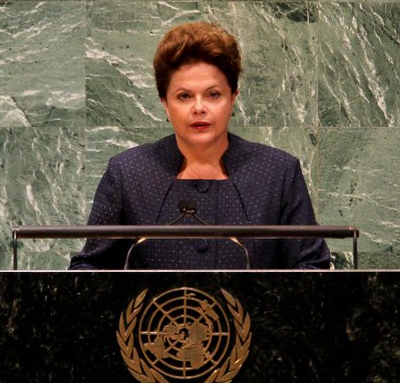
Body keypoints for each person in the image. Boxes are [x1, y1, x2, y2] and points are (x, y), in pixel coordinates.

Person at [69, 21, 330, 270]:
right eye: (184, 96)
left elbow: (312, 268)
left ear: (233, 99)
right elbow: (90, 267)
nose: (199, 108)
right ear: (165, 103)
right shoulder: (128, 172)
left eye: (213, 94)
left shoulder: (277, 172)